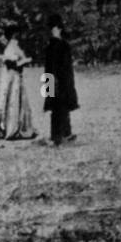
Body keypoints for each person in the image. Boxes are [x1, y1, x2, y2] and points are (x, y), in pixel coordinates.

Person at [0, 20, 36, 141]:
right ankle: (11, 128)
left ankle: (12, 127)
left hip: (14, 77)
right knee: (13, 100)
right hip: (13, 77)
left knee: (15, 101)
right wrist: (25, 61)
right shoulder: (11, 47)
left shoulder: (13, 46)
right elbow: (13, 64)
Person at [42, 14, 78, 145]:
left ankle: (66, 133)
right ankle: (57, 136)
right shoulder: (60, 46)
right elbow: (57, 67)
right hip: (59, 80)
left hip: (55, 80)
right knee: (59, 108)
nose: (53, 30)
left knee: (61, 107)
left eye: (54, 27)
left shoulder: (53, 46)